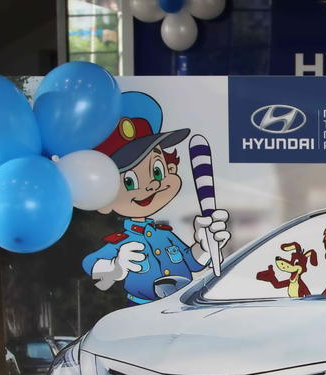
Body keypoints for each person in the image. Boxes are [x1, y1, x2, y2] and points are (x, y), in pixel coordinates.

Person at [82, 92, 230, 305]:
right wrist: (116, 266)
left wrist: (205, 247)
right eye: (129, 181)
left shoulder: (164, 235)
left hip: (183, 307)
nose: (151, 185)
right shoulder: (123, 244)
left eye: (157, 171)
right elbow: (92, 266)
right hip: (141, 311)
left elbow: (192, 262)